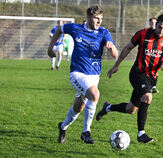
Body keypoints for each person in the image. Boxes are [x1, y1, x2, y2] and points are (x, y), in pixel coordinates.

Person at [96, 14, 163, 143]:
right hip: (137, 73)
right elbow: (128, 48)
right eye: (160, 27)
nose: (161, 31)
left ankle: (107, 108)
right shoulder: (143, 34)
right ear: (156, 24)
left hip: (151, 77)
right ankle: (141, 134)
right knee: (147, 97)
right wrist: (116, 65)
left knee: (131, 109)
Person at [48, 5, 118, 144]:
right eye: (96, 18)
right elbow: (60, 30)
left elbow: (115, 54)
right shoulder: (75, 28)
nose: (99, 21)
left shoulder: (104, 32)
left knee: (78, 108)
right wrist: (51, 47)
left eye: (101, 19)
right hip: (77, 74)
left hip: (94, 77)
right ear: (88, 18)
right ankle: (86, 132)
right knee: (95, 94)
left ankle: (62, 127)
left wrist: (111, 49)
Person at [149, 17, 159, 93]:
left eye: (155, 23)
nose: (153, 24)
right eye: (152, 22)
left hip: (155, 55)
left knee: (155, 72)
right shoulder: (146, 33)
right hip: (147, 55)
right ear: (149, 23)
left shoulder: (159, 33)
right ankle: (147, 86)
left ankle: (154, 87)